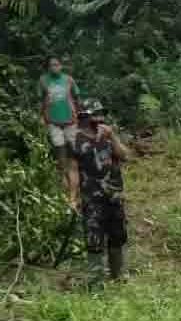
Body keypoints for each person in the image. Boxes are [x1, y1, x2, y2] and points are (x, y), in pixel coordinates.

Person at [69, 98, 129, 288]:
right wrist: (72, 198)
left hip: (113, 195)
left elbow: (125, 156)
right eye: (96, 114)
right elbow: (72, 171)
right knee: (94, 238)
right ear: (85, 117)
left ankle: (117, 276)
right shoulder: (75, 140)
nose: (100, 118)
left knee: (117, 235)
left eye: (101, 114)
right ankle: (96, 282)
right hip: (91, 197)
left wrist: (113, 137)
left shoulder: (107, 135)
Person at [38, 57, 81, 189]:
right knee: (59, 149)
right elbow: (41, 100)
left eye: (56, 65)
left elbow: (77, 97)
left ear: (61, 66)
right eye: (51, 65)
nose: (54, 67)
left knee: (74, 150)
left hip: (70, 121)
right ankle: (64, 181)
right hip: (53, 121)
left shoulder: (68, 79)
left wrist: (78, 114)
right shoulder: (43, 80)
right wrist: (41, 117)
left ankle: (77, 181)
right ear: (48, 67)